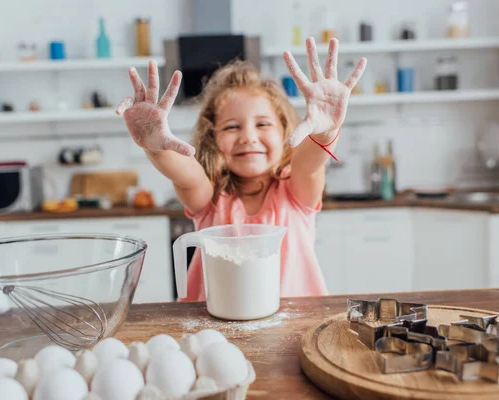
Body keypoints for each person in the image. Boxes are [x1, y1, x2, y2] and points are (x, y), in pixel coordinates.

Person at [116, 37, 367, 301]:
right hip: (216, 331)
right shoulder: (211, 198)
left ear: (286, 131)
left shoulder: (295, 192)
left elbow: (308, 164)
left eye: (263, 125)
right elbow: (188, 175)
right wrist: (155, 146)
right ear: (212, 139)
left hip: (295, 329)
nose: (248, 137)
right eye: (232, 127)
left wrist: (327, 131)